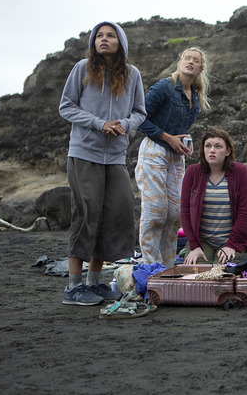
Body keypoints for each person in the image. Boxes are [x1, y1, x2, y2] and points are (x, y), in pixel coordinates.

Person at [58, 21, 146, 305]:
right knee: (86, 215)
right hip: (84, 153)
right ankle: (74, 287)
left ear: (121, 42)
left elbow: (140, 112)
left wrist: (124, 124)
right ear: (93, 41)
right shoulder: (82, 68)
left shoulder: (132, 75)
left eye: (110, 35)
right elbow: (66, 106)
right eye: (99, 35)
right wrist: (98, 124)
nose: (104, 39)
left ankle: (94, 283)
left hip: (116, 157)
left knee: (115, 215)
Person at [135, 47, 211, 267]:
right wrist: (169, 138)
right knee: (155, 211)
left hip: (176, 157)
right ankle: (151, 266)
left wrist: (183, 142)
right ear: (179, 63)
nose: (190, 62)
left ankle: (167, 266)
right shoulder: (164, 87)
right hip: (154, 151)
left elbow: (181, 128)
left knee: (175, 213)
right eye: (187, 58)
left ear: (200, 69)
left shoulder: (195, 97)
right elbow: (140, 118)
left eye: (195, 60)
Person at [180, 128, 247, 265]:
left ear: (228, 151)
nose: (212, 150)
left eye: (218, 146)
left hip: (231, 240)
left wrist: (232, 244)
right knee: (198, 272)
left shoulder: (241, 172)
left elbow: (245, 213)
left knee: (223, 273)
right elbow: (185, 212)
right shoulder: (192, 172)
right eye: (208, 146)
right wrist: (194, 246)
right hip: (201, 240)